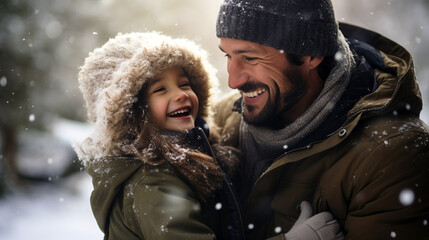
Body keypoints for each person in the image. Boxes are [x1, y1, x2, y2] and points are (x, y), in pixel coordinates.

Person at [74, 32, 341, 240]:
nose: (179, 94)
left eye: (184, 83)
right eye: (160, 90)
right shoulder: (153, 183)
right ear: (133, 112)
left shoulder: (193, 153)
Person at [213, 0, 429, 239]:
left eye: (251, 58)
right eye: (228, 55)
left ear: (312, 55)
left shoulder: (392, 156)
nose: (233, 81)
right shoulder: (222, 118)